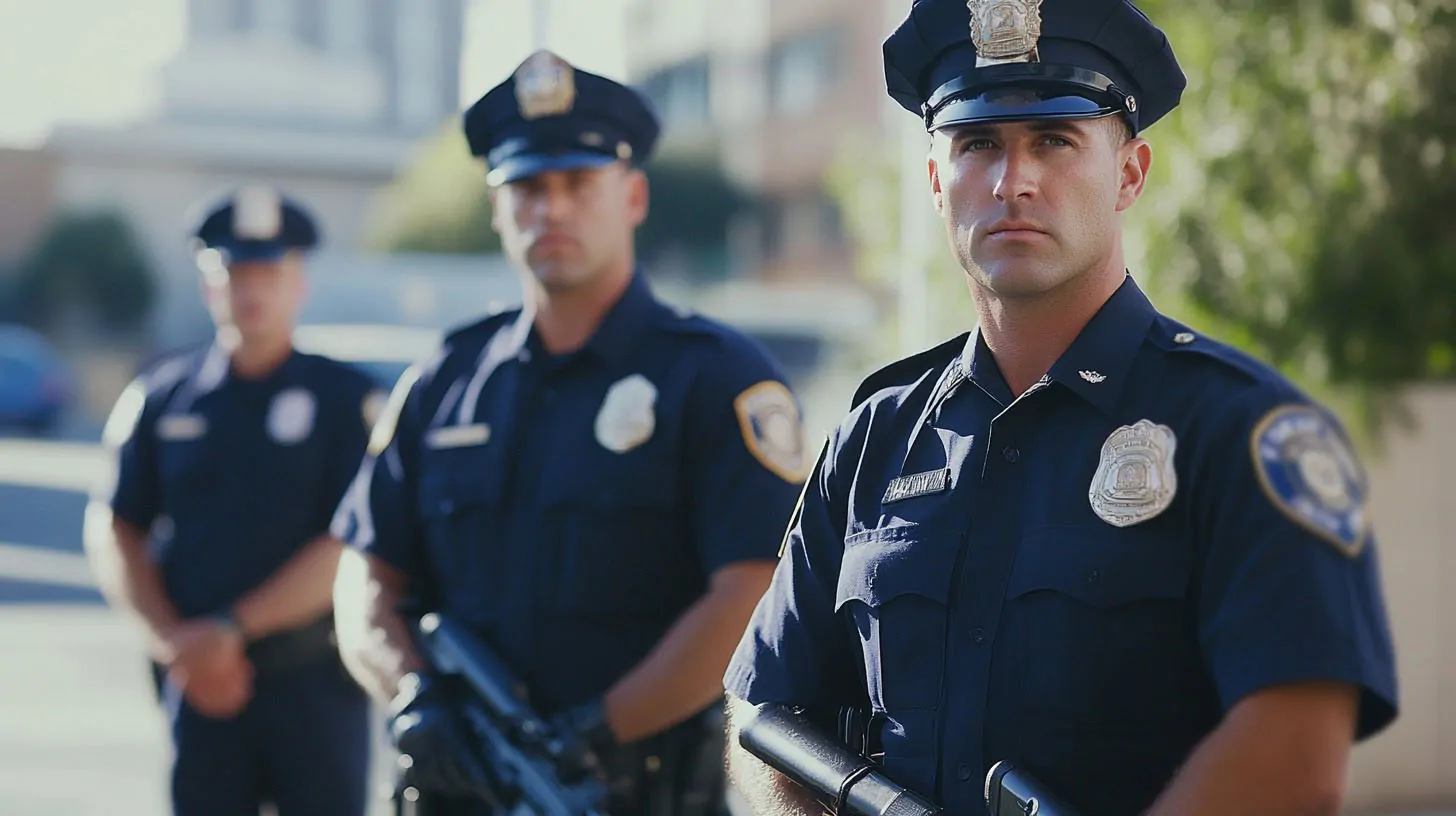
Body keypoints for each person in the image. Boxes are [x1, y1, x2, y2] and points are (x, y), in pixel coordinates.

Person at [723, 1, 1400, 814]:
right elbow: (763, 713)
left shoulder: (1241, 432)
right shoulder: (875, 438)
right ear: (937, 181)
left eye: (1054, 139)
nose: (1014, 180)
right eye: (978, 144)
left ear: (1129, 174)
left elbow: (1297, 754)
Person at [329, 49, 808, 815]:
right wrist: (411, 692)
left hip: (626, 793)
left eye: (578, 184)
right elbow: (364, 577)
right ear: (496, 207)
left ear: (634, 196)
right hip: (459, 792)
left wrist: (596, 728)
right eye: (526, 187)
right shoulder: (443, 382)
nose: (550, 209)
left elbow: (751, 592)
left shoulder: (715, 379)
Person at [85, 186, 383, 816]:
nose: (251, 290)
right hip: (197, 682)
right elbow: (116, 528)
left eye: (268, 273)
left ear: (298, 283)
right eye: (234, 273)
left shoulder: (344, 400)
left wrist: (228, 630)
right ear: (207, 286)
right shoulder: (161, 400)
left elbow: (350, 543)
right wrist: (176, 642)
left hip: (313, 688)